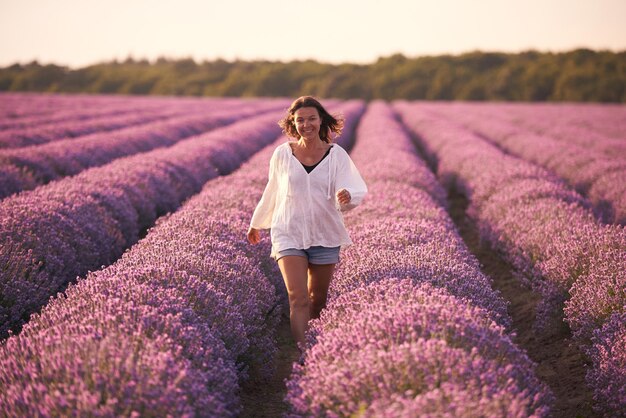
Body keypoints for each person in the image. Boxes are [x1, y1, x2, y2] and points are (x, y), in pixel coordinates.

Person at [247, 96, 367, 350]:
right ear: (293, 123)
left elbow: (353, 186)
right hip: (289, 232)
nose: (306, 124)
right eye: (300, 120)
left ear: (321, 119)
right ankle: (304, 353)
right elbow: (273, 190)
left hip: (325, 234)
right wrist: (257, 222)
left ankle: (317, 347)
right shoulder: (282, 153)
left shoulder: (336, 155)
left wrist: (347, 196)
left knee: (318, 301)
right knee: (298, 298)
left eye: (311, 118)